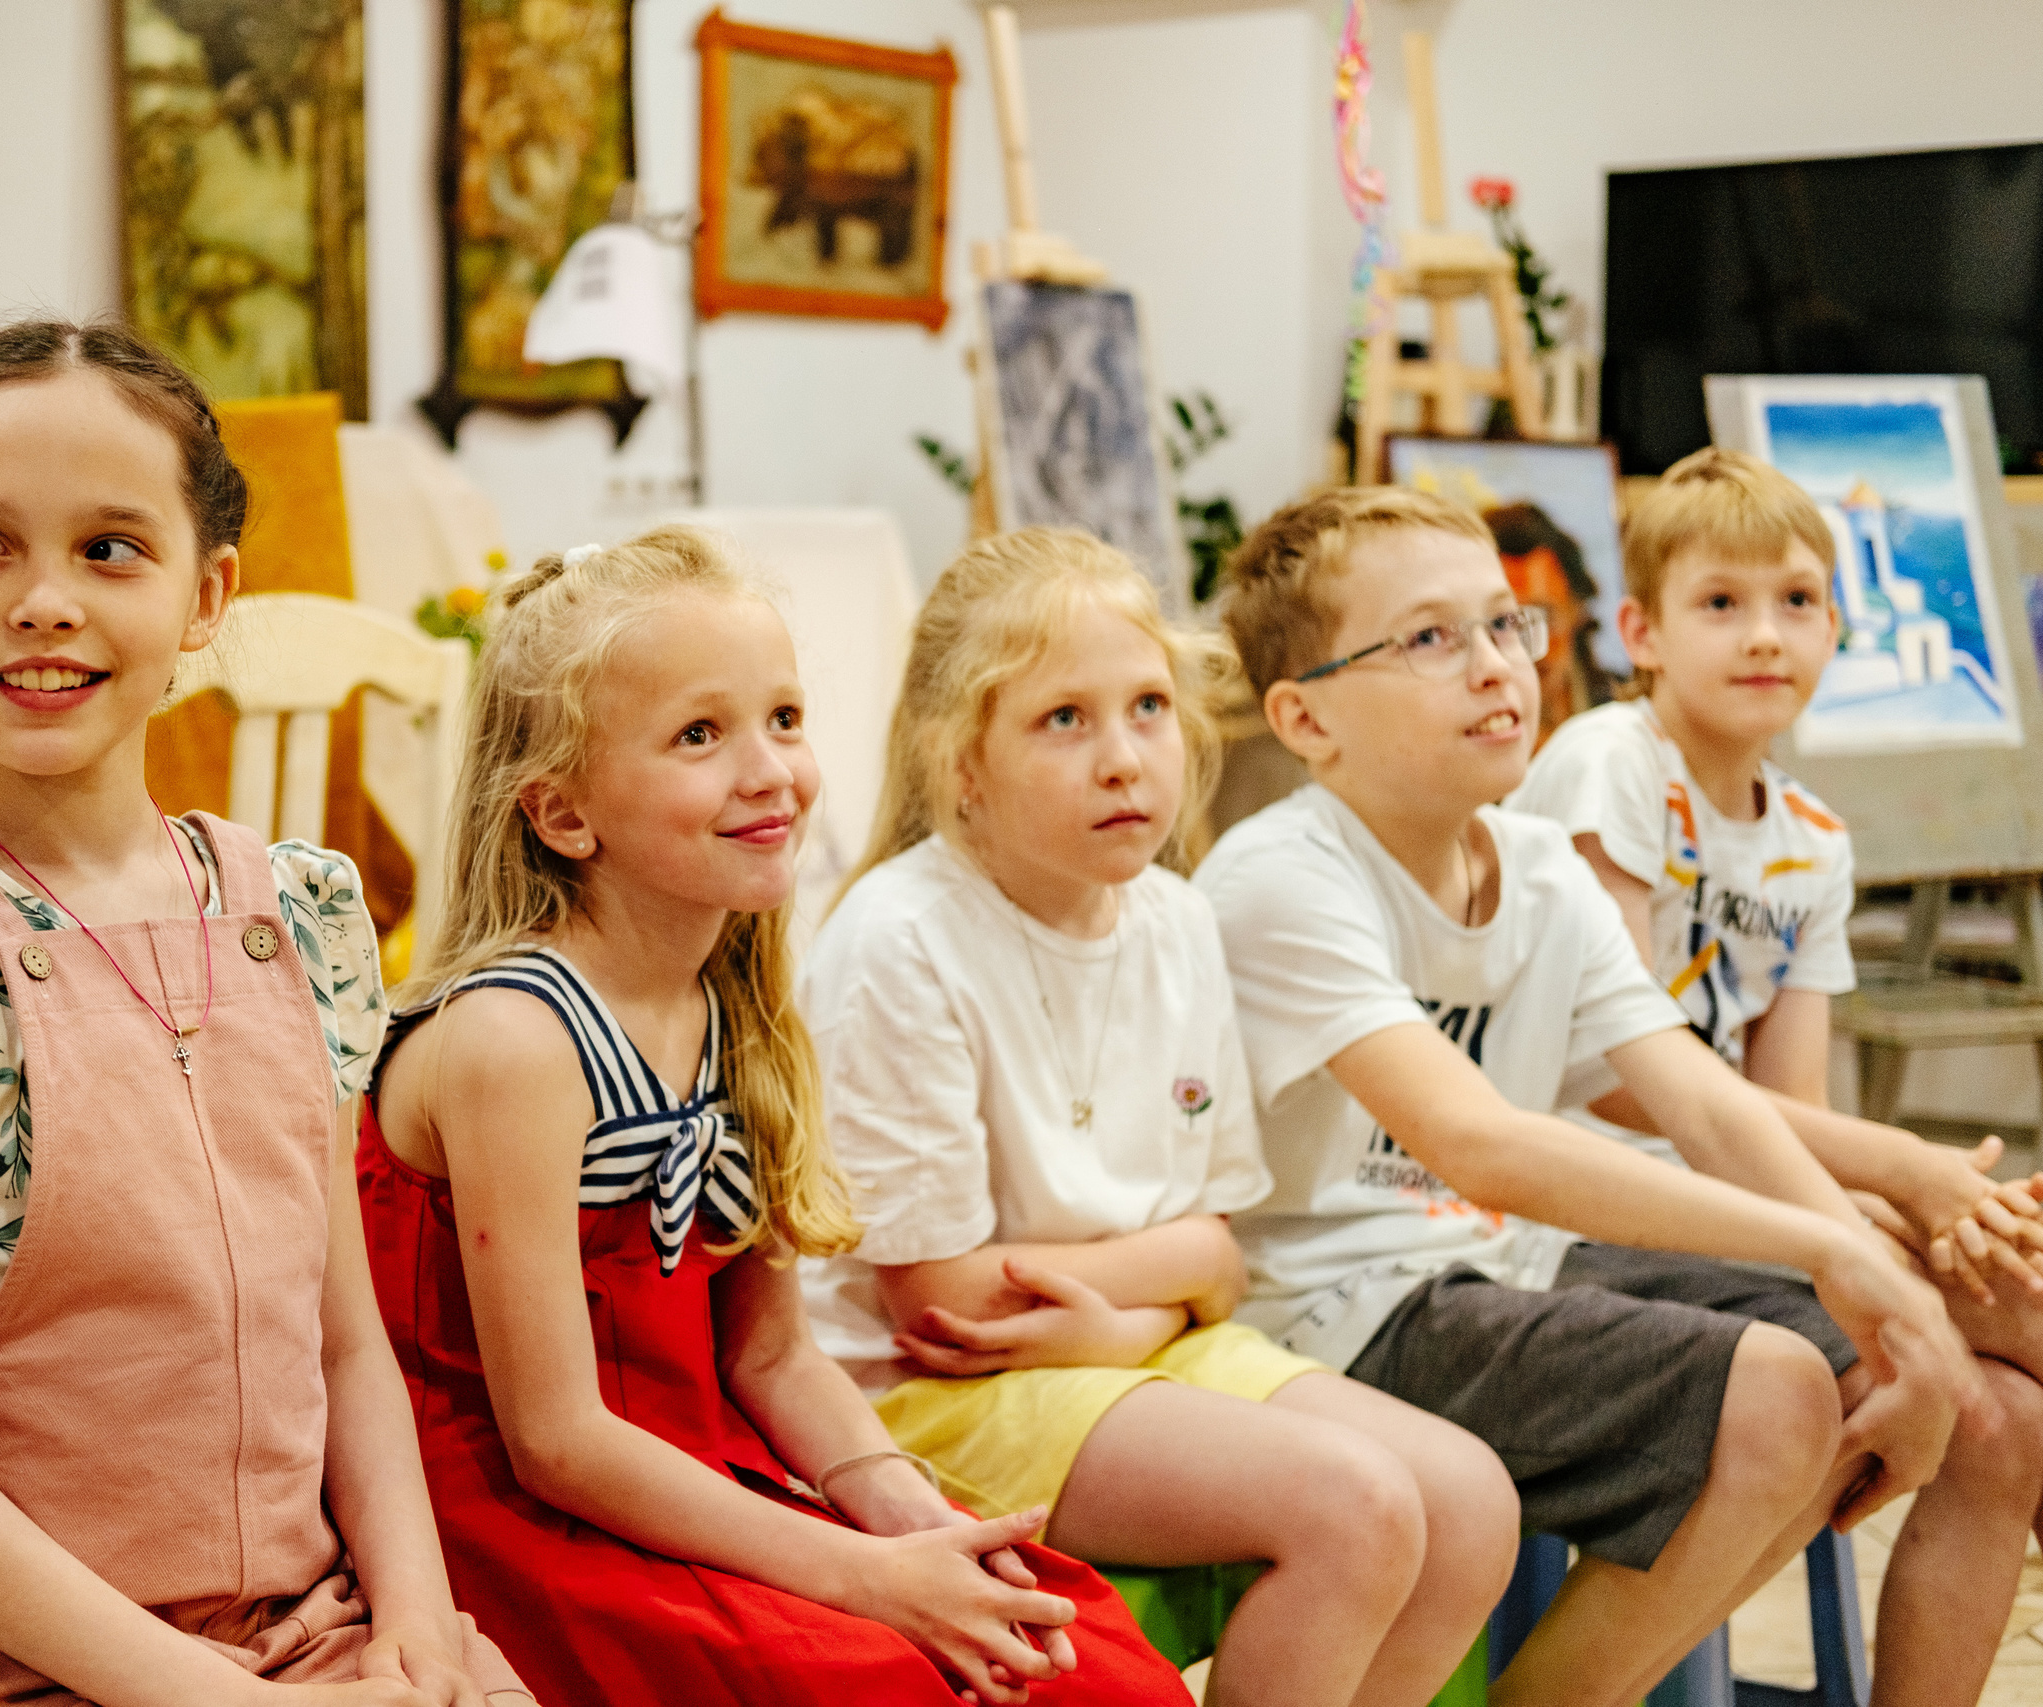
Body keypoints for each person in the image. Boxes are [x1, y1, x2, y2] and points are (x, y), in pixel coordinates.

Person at [0, 317, 528, 1707]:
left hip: (312, 1629)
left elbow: (344, 1339)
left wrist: (416, 1617)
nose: (44, 599)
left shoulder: (292, 919)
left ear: (206, 593)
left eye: (110, 548)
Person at [357, 528, 1192, 1707]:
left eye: (785, 720)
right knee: (879, 1684)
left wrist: (911, 1520)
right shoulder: (514, 1041)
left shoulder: (736, 1001)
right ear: (561, 812)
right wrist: (866, 1580)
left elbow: (767, 1352)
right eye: (701, 735)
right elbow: (554, 1439)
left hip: (699, 1471)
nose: (771, 772)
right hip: (520, 1516)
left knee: (1088, 1665)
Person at [1192, 485, 1985, 1707]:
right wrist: (1835, 1244)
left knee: (1846, 1368)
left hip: (1505, 1266)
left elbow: (1708, 1108)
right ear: (1305, 719)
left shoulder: (1540, 878)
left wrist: (1884, 1296)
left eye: (1506, 626)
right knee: (1776, 1386)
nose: (1494, 667)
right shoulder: (1283, 876)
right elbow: (1482, 1146)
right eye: (1428, 640)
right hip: (1332, 1307)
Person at [798, 527, 1514, 1707]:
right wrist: (1158, 1289)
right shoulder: (902, 939)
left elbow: (1218, 1253)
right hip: (925, 1401)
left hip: (1127, 1346)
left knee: (1470, 1499)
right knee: (1358, 1508)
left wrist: (1130, 1321)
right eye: (1061, 721)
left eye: (1144, 707)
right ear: (958, 760)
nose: (1124, 758)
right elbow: (943, 1307)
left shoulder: (1174, 918)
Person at [1511, 447, 2043, 1707]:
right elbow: (1617, 1077)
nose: (1764, 634)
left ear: (1837, 626)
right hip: (1588, 1204)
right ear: (1638, 630)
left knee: (2009, 1415)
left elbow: (1786, 1098)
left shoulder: (1809, 838)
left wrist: (1896, 1208)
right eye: (1720, 603)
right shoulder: (1612, 764)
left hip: (1736, 1202)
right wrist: (1899, 1179)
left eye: (1797, 601)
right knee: (2023, 1308)